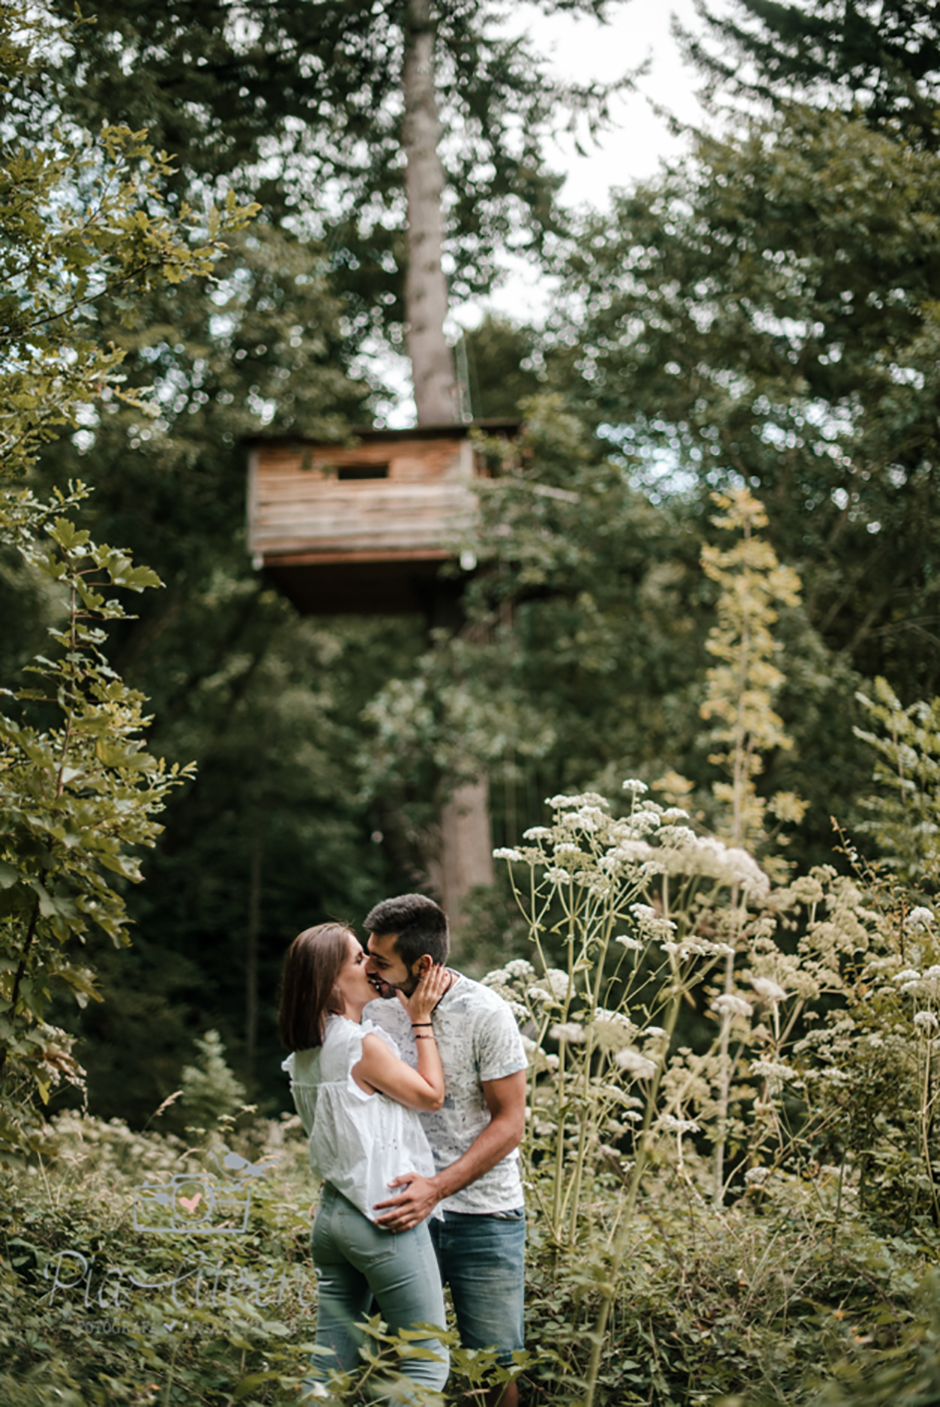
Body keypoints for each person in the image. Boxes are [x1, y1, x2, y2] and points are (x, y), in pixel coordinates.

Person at [363, 894, 527, 1407]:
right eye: (367, 954)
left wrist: (437, 1188)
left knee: (496, 1366)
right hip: (398, 1211)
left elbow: (510, 1122)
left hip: (486, 1215)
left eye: (380, 960)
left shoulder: (486, 1014)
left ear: (424, 964)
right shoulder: (369, 1007)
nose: (368, 967)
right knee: (390, 1358)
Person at [279, 921, 452, 1401]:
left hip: (332, 1218)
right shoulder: (361, 1045)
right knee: (426, 1364)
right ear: (333, 982)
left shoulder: (306, 1051)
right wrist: (421, 1020)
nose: (371, 967)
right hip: (382, 1216)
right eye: (359, 960)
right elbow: (431, 1096)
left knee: (328, 1370)